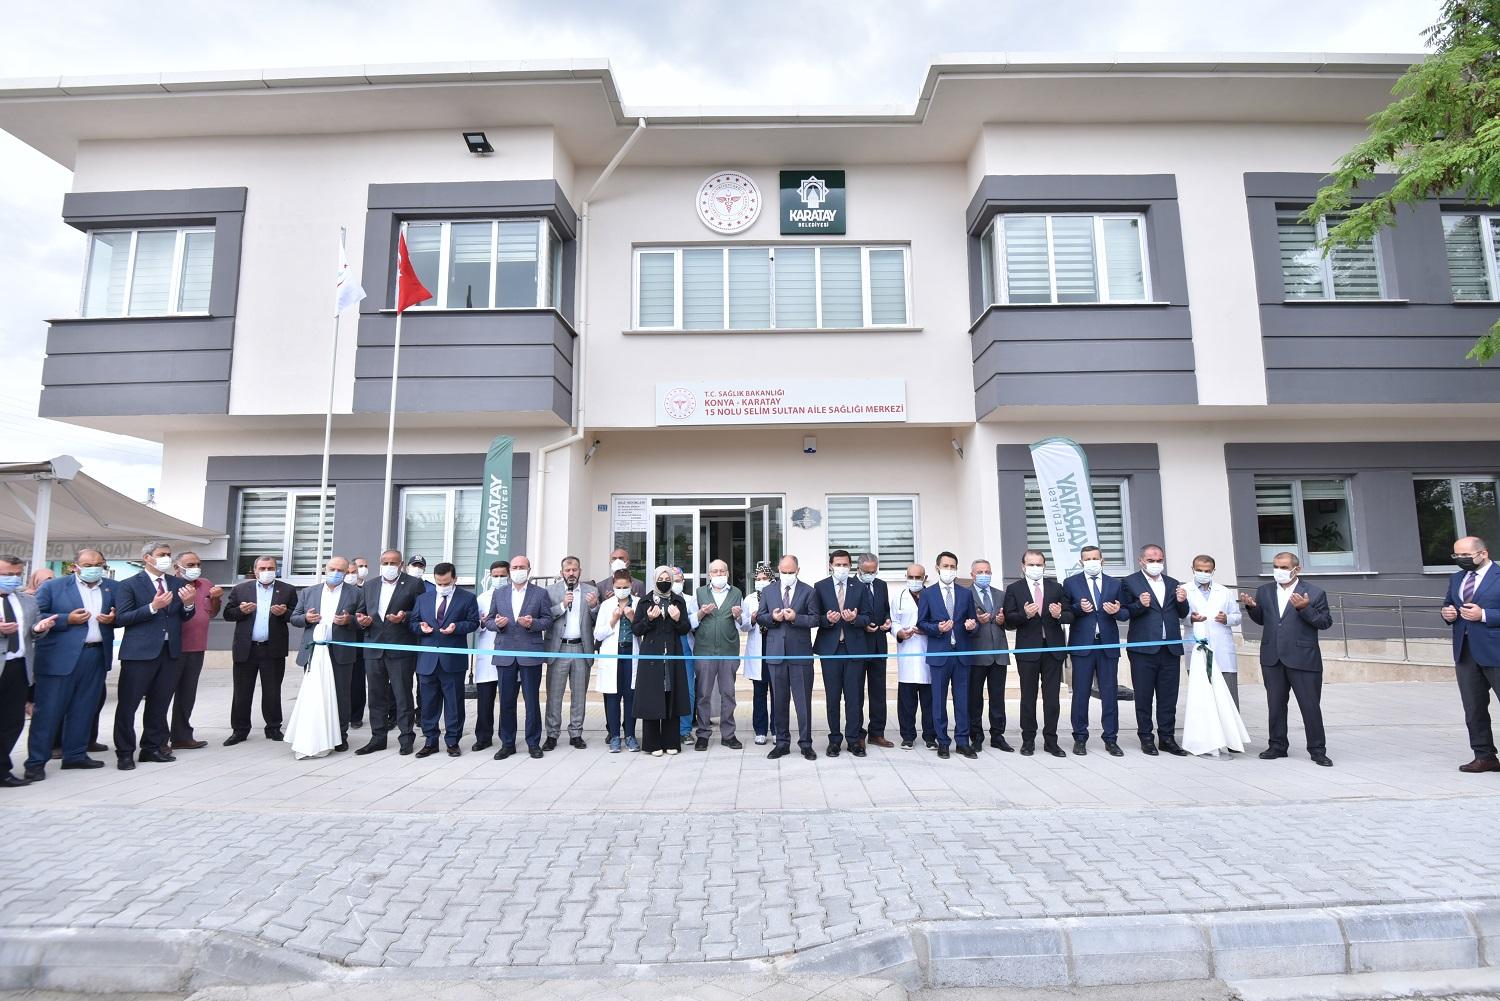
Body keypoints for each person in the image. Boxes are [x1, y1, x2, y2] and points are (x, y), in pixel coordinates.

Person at [25, 550, 116, 779]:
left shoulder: (112, 587)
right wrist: (67, 619)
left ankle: (75, 755)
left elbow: (123, 613)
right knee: (48, 711)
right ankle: (36, 762)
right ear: (75, 566)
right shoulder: (53, 587)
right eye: (88, 564)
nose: (94, 568)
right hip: (58, 659)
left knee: (84, 708)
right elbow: (35, 617)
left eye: (98, 564)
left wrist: (114, 619)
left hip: (95, 655)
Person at [1240, 551, 1334, 767]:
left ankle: (1317, 750)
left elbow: (1325, 622)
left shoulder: (1314, 592)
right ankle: (1277, 745)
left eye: (1283, 567)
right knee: (1275, 705)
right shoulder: (1264, 591)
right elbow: (1263, 620)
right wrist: (1252, 608)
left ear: (1296, 569)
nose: (1278, 571)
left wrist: (1305, 608)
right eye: (1275, 566)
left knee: (1310, 706)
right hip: (1272, 657)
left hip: (1303, 658)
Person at [113, 542, 197, 770]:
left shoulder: (177, 583)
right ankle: (125, 752)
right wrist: (152, 607)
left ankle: (151, 748)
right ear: (147, 558)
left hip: (169, 652)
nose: (166, 558)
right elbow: (122, 618)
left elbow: (183, 616)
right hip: (139, 654)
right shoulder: (129, 585)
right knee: (128, 705)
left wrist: (189, 605)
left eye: (168, 555)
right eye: (161, 555)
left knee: (159, 704)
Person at [354, 549, 426, 755]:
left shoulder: (413, 584)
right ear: (380, 563)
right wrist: (362, 620)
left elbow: (422, 612)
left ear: (401, 565)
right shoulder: (370, 585)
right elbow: (360, 612)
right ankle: (378, 738)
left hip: (400, 647)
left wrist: (404, 617)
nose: (389, 566)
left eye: (393, 563)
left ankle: (406, 738)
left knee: (402, 695)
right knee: (376, 696)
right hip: (373, 647)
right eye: (385, 563)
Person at [1120, 544, 1190, 757]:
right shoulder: (1129, 582)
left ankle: (1167, 738)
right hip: (1143, 649)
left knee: (1168, 697)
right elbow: (1123, 612)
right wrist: (1139, 604)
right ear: (1141, 561)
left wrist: (1182, 601)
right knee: (1143, 696)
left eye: (1159, 560)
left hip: (1170, 649)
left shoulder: (1172, 583)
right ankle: (1146, 738)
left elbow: (1182, 613)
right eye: (1151, 560)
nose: (1155, 564)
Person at [221, 555, 298, 746]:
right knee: (242, 691)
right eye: (262, 568)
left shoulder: (287, 590)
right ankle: (239, 730)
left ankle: (273, 727)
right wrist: (241, 611)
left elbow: (296, 615)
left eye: (270, 568)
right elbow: (228, 614)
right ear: (255, 571)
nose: (266, 572)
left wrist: (284, 613)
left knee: (272, 691)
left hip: (273, 648)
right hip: (246, 648)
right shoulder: (240, 589)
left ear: (276, 570)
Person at [1062, 546, 1130, 757]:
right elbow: (1065, 613)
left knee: (1109, 694)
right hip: (1082, 646)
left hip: (1107, 646)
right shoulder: (1071, 583)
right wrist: (1078, 608)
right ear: (1081, 562)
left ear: (1102, 560)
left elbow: (1126, 612)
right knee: (1080, 694)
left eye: (1094, 558)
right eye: (1087, 559)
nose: (1091, 561)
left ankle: (1111, 738)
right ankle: (1080, 738)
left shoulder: (1114, 583)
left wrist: (1117, 611)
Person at [291, 556, 363, 752]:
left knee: (341, 694)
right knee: (315, 694)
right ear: (325, 569)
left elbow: (362, 621)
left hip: (341, 651)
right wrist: (306, 618)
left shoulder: (356, 594)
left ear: (346, 573)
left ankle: (340, 736)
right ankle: (313, 733)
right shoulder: (309, 592)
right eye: (332, 569)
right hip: (314, 651)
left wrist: (349, 621)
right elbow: (294, 617)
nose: (336, 573)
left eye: (341, 570)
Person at [1003, 550, 1071, 758]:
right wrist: (1025, 614)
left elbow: (1070, 615)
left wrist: (1059, 615)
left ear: (1044, 566)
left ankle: (1051, 741)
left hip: (1052, 650)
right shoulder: (1014, 589)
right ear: (1023, 566)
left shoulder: (1056, 587)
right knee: (1028, 697)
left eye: (1039, 564)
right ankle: (1028, 740)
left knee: (1052, 699)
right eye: (1031, 564)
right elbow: (1008, 621)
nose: (1035, 568)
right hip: (1028, 650)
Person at [1441, 536, 1500, 773]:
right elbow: (1448, 604)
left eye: (1465, 555)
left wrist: (1484, 615)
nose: (1460, 559)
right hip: (1465, 652)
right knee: (1473, 708)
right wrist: (1447, 613)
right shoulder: (1457, 578)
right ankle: (1484, 756)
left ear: (1483, 553)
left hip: (1496, 650)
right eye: (1456, 555)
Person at [409, 562, 480, 757]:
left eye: (446, 583)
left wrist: (456, 627)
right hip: (427, 660)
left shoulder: (467, 598)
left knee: (454, 703)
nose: (442, 586)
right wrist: (420, 627)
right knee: (428, 703)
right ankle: (430, 741)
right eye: (439, 583)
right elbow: (413, 623)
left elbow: (473, 622)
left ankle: (452, 741)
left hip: (453, 660)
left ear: (455, 579)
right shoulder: (423, 598)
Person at [489, 554, 554, 760]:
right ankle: (507, 743)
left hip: (530, 652)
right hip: (505, 652)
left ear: (529, 570)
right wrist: (496, 624)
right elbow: (489, 620)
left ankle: (533, 743)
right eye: (515, 567)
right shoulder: (499, 593)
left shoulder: (540, 593)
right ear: (510, 571)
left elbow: (548, 620)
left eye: (522, 567)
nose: (518, 570)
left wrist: (533, 623)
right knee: (506, 700)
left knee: (531, 700)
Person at [918, 551, 978, 759]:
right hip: (939, 654)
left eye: (953, 567)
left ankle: (963, 741)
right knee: (938, 701)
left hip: (961, 654)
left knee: (962, 700)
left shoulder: (965, 593)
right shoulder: (928, 594)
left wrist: (972, 626)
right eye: (946, 566)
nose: (949, 570)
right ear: (937, 568)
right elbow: (922, 623)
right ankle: (942, 741)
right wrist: (937, 628)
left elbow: (973, 622)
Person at [757, 555, 817, 761]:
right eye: (784, 572)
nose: (787, 575)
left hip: (800, 654)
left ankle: (806, 743)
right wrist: (773, 618)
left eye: (791, 572)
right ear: (778, 570)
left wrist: (796, 618)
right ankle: (782, 743)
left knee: (803, 702)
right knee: (779, 701)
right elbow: (760, 617)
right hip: (776, 654)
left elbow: (815, 619)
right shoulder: (768, 591)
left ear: (798, 570)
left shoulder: (809, 591)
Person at [812, 550, 871, 757]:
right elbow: (814, 617)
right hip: (830, 649)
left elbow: (868, 617)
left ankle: (854, 740)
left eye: (845, 564)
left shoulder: (860, 587)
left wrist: (855, 618)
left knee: (854, 697)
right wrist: (827, 619)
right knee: (833, 697)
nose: (842, 568)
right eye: (838, 564)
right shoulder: (820, 586)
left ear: (851, 566)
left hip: (854, 648)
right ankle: (834, 740)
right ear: (830, 565)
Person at [2, 556, 53, 786]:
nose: (13, 579)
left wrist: (40, 628)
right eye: (7, 574)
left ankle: (2, 770)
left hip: (18, 667)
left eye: (17, 574)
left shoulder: (27, 601)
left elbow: (32, 631)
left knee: (12, 721)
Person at [632, 565, 692, 756]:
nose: (664, 582)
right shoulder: (645, 601)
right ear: (654, 579)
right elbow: (637, 630)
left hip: (673, 654)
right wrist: (649, 619)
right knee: (652, 696)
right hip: (651, 656)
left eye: (667, 579)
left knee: (671, 695)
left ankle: (671, 741)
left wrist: (678, 619)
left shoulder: (678, 601)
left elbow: (685, 629)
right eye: (661, 579)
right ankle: (652, 744)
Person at [169, 551, 222, 751]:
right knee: (163, 695)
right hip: (173, 648)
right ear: (177, 568)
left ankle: (181, 736)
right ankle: (157, 738)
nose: (196, 568)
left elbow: (212, 613)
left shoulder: (206, 584)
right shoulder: (170, 585)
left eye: (198, 564)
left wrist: (216, 599)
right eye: (190, 565)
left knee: (187, 694)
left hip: (197, 647)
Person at [544, 556, 598, 751]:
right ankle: (552, 734)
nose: (571, 573)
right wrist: (562, 606)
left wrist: (594, 606)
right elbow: (545, 617)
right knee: (554, 695)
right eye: (567, 570)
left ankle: (576, 733)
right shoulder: (550, 591)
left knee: (579, 695)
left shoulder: (591, 591)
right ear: (562, 573)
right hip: (558, 649)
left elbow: (597, 619)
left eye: (574, 569)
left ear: (580, 571)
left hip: (581, 648)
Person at [692, 559, 744, 750]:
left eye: (722, 571)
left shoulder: (736, 593)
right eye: (715, 571)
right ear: (709, 574)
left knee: (728, 694)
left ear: (728, 573)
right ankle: (703, 734)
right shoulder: (699, 593)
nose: (719, 574)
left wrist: (738, 616)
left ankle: (728, 735)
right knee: (703, 694)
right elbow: (690, 622)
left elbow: (744, 624)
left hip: (728, 650)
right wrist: (701, 613)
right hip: (704, 650)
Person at [1183, 555, 1242, 709]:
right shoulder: (1184, 591)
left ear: (1213, 571)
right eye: (1199, 570)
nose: (1203, 573)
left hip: (1222, 649)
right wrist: (1191, 619)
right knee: (1201, 695)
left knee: (1228, 695)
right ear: (1193, 569)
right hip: (1197, 646)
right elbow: (1178, 617)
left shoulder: (1224, 591)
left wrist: (1227, 618)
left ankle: (1230, 724)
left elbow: (1237, 617)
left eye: (1207, 571)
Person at [966, 557, 1011, 753]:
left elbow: (1010, 622)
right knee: (974, 697)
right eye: (980, 572)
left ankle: (998, 735)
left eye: (987, 572)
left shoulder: (1001, 594)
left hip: (999, 652)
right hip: (976, 653)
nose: (984, 575)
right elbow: (960, 621)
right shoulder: (965, 594)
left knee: (998, 697)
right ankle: (976, 735)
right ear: (972, 575)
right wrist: (976, 621)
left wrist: (1002, 620)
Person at [593, 569, 639, 753]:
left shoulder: (638, 603)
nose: (622, 590)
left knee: (631, 695)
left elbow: (644, 631)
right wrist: (613, 620)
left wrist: (632, 617)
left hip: (631, 652)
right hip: (612, 653)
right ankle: (614, 736)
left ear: (631, 585)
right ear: (613, 586)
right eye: (618, 587)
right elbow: (598, 634)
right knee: (612, 696)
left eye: (625, 587)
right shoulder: (606, 605)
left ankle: (630, 735)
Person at [893, 563, 934, 750]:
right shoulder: (899, 597)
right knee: (907, 701)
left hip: (929, 650)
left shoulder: (933, 596)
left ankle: (930, 736)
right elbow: (894, 620)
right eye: (911, 577)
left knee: (929, 701)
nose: (914, 580)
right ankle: (907, 736)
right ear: (906, 577)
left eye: (918, 577)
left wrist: (927, 630)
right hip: (907, 652)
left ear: (925, 578)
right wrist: (899, 633)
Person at [857, 554, 894, 749]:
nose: (870, 574)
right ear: (858, 569)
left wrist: (887, 621)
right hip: (858, 645)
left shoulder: (881, 585)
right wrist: (862, 624)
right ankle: (857, 734)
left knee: (878, 692)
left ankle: (877, 733)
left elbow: (885, 609)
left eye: (873, 571)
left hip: (879, 644)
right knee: (856, 693)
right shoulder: (851, 585)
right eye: (866, 571)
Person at [471, 560, 508, 751]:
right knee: (485, 701)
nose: (499, 578)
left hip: (508, 654)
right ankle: (483, 737)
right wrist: (483, 623)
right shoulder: (482, 598)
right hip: (487, 654)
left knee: (507, 701)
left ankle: (506, 737)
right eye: (496, 576)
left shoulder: (514, 596)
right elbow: (474, 625)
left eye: (502, 575)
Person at [740, 562, 774, 745]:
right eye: (758, 579)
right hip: (758, 650)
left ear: (771, 579)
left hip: (774, 648)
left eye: (764, 578)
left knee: (777, 693)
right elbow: (744, 626)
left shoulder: (778, 595)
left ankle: (776, 729)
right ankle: (760, 730)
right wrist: (752, 619)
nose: (761, 581)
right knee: (759, 693)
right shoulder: (749, 599)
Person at [673, 567, 699, 741]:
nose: (676, 583)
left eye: (678, 580)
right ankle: (669, 729)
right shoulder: (658, 600)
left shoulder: (691, 600)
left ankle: (685, 730)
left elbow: (694, 623)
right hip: (667, 649)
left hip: (686, 649)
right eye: (673, 580)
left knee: (688, 691)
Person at [348, 555, 371, 728]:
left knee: (357, 682)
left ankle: (356, 716)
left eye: (354, 572)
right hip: (338, 643)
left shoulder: (366, 590)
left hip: (359, 642)